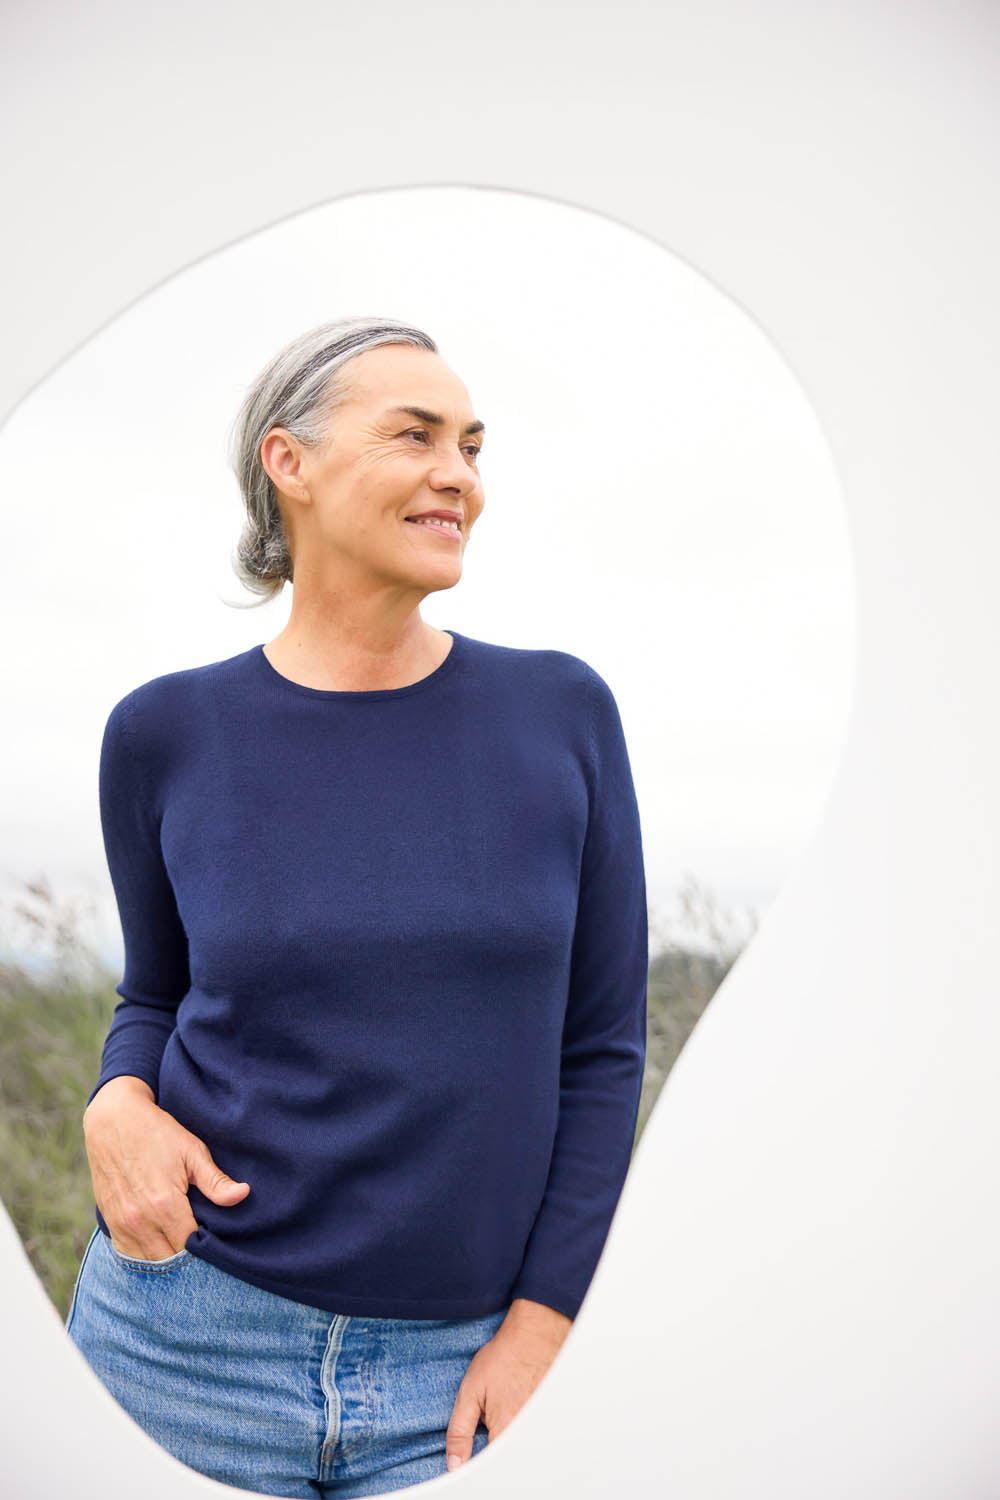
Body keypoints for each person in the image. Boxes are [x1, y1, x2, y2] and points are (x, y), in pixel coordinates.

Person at [64, 315, 648, 1498]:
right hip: (181, 1339)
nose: (459, 477)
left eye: (473, 448)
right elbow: (159, 992)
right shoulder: (163, 734)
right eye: (417, 436)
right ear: (291, 464)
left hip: (461, 1374)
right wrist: (116, 1098)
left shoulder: (561, 716)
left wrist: (544, 1326)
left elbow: (601, 1049)